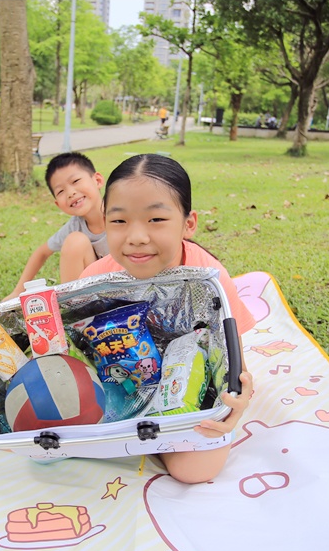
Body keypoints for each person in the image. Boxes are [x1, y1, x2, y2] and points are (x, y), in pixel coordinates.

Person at [79, 153, 256, 484]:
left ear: (188, 224)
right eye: (119, 221)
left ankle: (145, 439)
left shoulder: (211, 279)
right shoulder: (96, 280)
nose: (136, 237)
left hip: (183, 384)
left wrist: (236, 404)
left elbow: (236, 366)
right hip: (127, 382)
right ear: (105, 222)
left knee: (195, 470)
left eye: (156, 220)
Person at [3, 152, 107, 300]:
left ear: (97, 180)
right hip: (99, 298)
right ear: (58, 204)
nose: (70, 193)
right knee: (75, 241)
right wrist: (18, 291)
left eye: (76, 181)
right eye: (60, 191)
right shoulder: (74, 227)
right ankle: (77, 310)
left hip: (134, 289)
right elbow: (41, 253)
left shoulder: (123, 212)